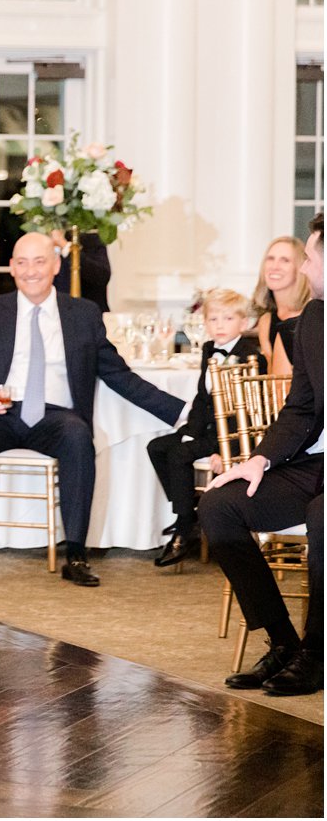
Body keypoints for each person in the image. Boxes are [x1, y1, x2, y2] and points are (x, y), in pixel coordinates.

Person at [0, 233, 185, 587]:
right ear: (11, 267)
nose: (30, 271)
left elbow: (118, 375)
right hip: (0, 413)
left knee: (78, 436)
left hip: (57, 416)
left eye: (39, 261)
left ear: (56, 265)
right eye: (21, 262)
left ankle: (77, 555)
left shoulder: (83, 314)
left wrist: (184, 411)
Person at [201, 213, 323, 697]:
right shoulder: (316, 319)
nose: (306, 270)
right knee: (219, 504)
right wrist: (260, 459)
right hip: (313, 462)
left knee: (323, 516)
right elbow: (303, 407)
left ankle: (317, 656)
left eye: (311, 259)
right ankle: (285, 643)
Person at [144, 288, 262, 567]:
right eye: (213, 319)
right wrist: (189, 432)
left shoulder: (250, 356)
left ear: (243, 323)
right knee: (157, 447)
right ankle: (192, 515)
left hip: (230, 436)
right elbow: (202, 398)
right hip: (207, 429)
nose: (219, 325)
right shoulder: (209, 349)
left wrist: (226, 452)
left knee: (179, 455)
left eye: (228, 319)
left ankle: (184, 528)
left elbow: (247, 413)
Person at [252, 235, 310, 377]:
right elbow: (273, 378)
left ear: (300, 268)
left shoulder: (309, 316)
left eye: (285, 260)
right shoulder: (266, 320)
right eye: (270, 259)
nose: (275, 266)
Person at [50, 230, 112, 312]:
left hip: (87, 315)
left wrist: (66, 247)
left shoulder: (90, 240)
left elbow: (102, 276)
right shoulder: (34, 240)